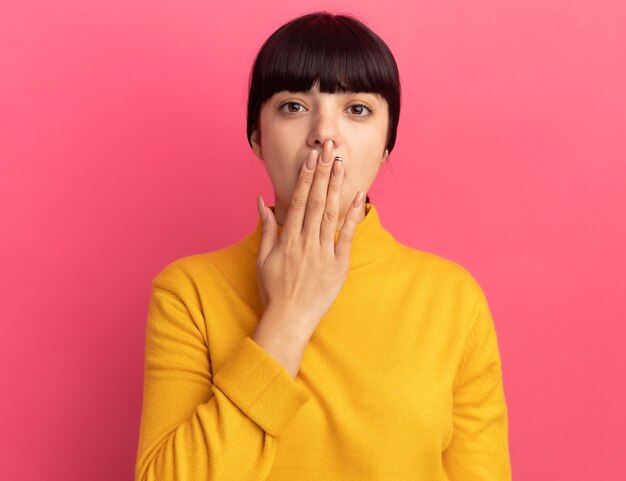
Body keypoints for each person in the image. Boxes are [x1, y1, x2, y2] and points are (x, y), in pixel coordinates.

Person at [135, 11, 512, 481]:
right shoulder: (189, 293)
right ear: (256, 135)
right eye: (294, 106)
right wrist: (289, 316)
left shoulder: (454, 300)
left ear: (387, 144)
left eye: (357, 109)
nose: (324, 133)